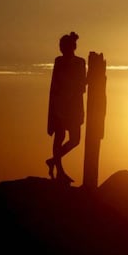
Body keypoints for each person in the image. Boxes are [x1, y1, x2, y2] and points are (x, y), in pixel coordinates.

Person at [46, 31, 87, 184]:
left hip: (74, 106)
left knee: (75, 139)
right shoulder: (59, 61)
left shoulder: (80, 62)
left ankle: (53, 161)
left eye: (64, 46)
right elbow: (56, 85)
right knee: (60, 136)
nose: (62, 49)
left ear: (72, 47)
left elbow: (82, 84)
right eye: (61, 46)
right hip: (60, 105)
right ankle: (59, 169)